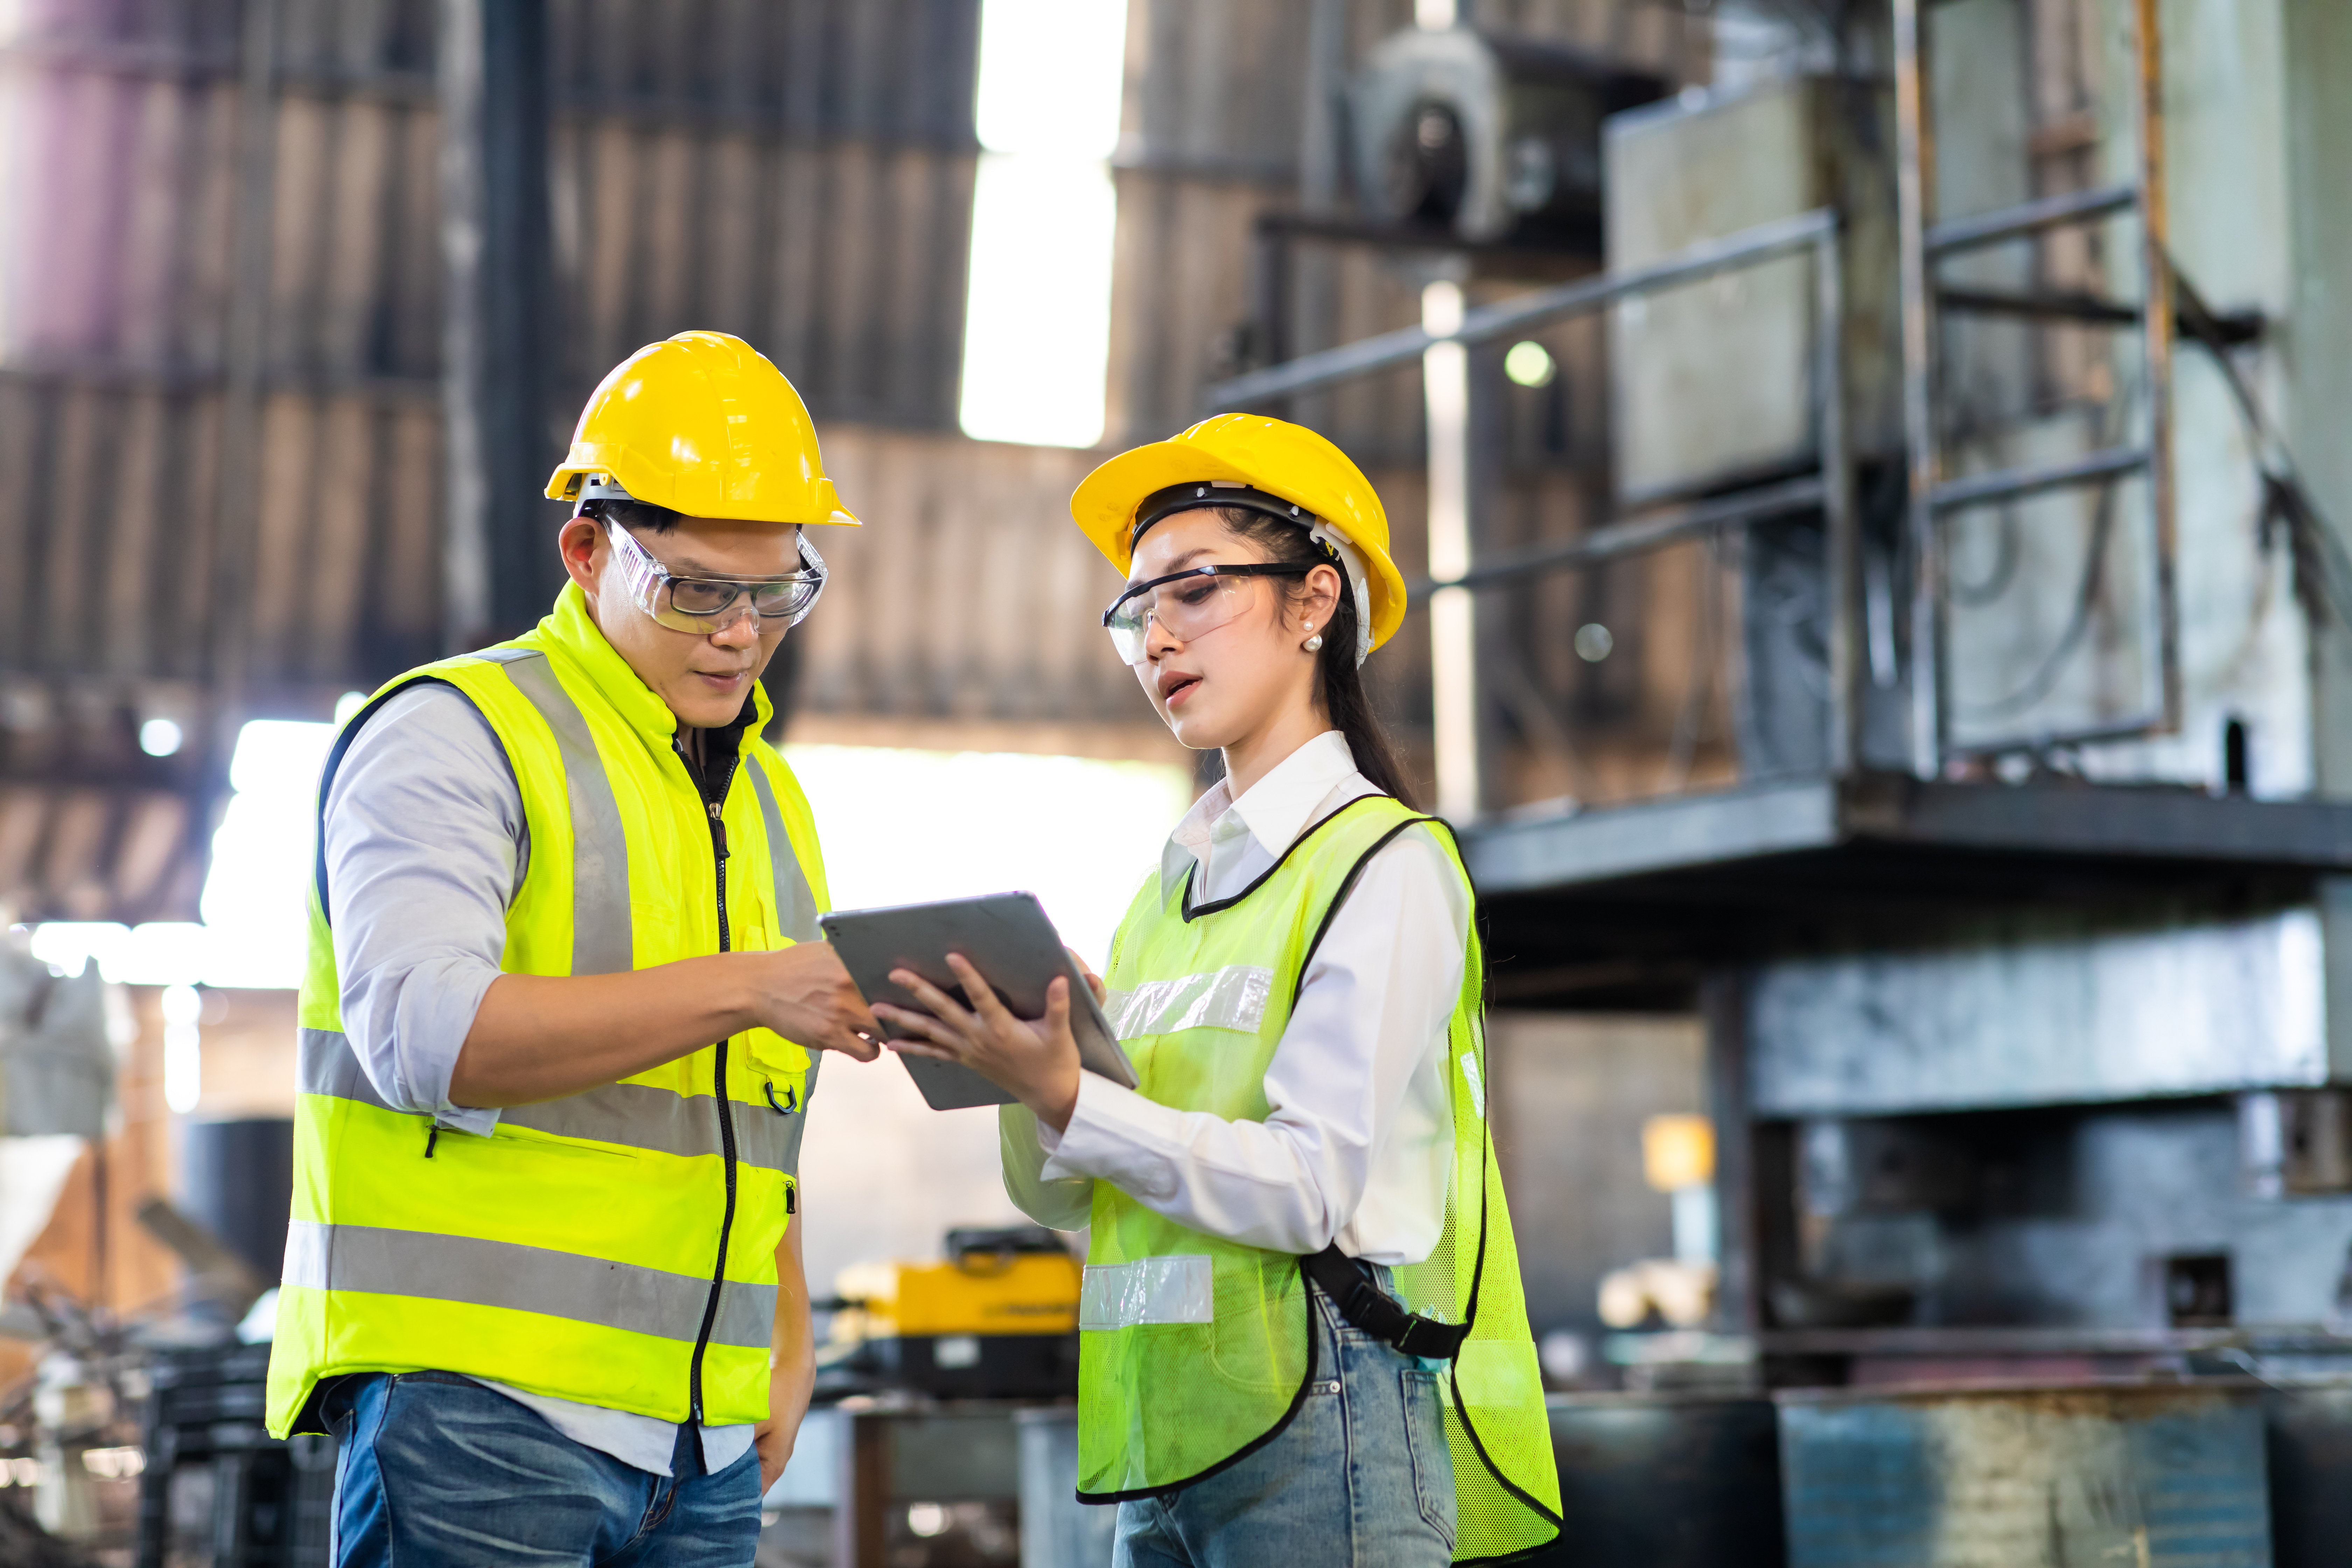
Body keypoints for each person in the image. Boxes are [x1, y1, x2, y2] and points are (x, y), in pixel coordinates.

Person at [877, 414, 1561, 1566]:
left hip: (1325, 1424)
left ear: (1314, 603)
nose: (1157, 641)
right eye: (1137, 612)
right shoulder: (1167, 897)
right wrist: (1031, 1070)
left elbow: (1307, 1187)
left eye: (1194, 592)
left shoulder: (1384, 866)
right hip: (1165, 1430)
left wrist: (1078, 1101)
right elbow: (1067, 1201)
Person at [264, 331, 884, 1567]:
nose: (739, 635)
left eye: (776, 595)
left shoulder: (771, 802)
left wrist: (787, 1335)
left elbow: (762, 1121)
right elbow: (428, 1038)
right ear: (589, 551)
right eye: (696, 590)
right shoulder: (452, 736)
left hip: (702, 1447)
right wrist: (760, 982)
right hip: (481, 1416)